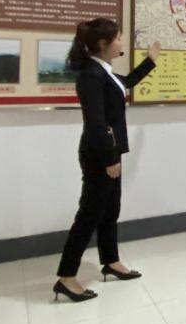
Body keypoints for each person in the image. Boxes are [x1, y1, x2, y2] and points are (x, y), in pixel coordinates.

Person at [54, 18, 161, 302]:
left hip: (110, 152)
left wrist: (150, 61)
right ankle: (66, 277)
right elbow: (96, 123)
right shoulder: (91, 74)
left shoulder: (103, 70)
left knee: (110, 210)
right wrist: (110, 158)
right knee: (89, 216)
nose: (121, 42)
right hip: (100, 154)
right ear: (103, 43)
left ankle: (111, 261)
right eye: (118, 38)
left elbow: (125, 84)